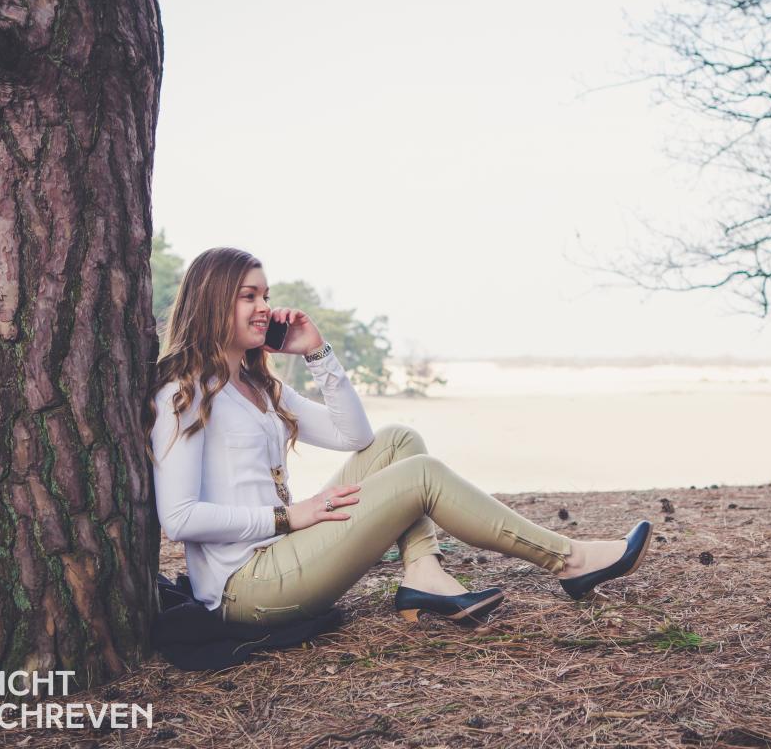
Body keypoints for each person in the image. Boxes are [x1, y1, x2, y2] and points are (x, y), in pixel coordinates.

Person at [144, 247, 653, 628]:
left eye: (266, 296)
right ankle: (571, 560)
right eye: (247, 296)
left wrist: (318, 354)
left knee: (398, 441)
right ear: (212, 302)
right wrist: (290, 515)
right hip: (246, 587)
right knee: (422, 476)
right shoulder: (184, 393)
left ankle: (422, 575)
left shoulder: (258, 386)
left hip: (285, 551)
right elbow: (180, 518)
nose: (263, 308)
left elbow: (355, 436)